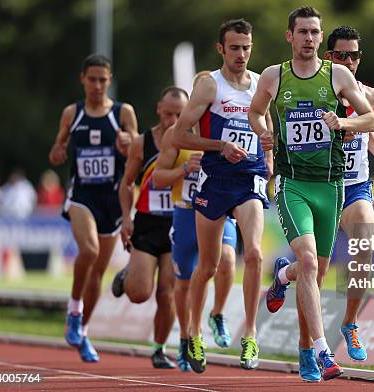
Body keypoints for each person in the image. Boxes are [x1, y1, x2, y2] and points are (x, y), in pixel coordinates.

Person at [249, 7, 374, 382]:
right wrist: (263, 131)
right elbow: (256, 112)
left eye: (314, 32)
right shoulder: (275, 76)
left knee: (313, 274)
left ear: (321, 40)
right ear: (290, 36)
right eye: (302, 31)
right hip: (293, 185)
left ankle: (282, 278)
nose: (309, 38)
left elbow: (370, 118)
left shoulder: (337, 75)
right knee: (309, 263)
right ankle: (320, 352)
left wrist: (344, 122)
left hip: (331, 186)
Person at [169, 19, 273, 373]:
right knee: (209, 266)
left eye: (246, 47)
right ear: (221, 49)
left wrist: (269, 159)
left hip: (249, 180)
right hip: (214, 180)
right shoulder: (208, 86)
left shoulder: (261, 83)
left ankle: (251, 334)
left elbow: (266, 127)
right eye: (234, 48)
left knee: (255, 253)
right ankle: (195, 332)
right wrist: (219, 146)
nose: (241, 54)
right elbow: (179, 136)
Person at [49, 54, 138, 362]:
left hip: (112, 201)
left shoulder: (122, 112)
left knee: (98, 271)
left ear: (109, 80)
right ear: (82, 79)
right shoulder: (71, 114)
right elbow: (57, 150)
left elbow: (138, 153)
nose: (97, 85)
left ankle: (82, 331)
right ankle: (74, 310)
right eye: (92, 79)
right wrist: (58, 152)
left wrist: (129, 141)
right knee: (88, 251)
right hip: (81, 196)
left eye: (103, 80)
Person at [152, 73, 238, 372]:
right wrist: (183, 170)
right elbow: (157, 179)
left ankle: (217, 313)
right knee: (185, 282)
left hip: (218, 208)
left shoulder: (222, 128)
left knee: (227, 261)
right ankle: (187, 336)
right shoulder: (176, 137)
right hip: (186, 213)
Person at [110, 87, 189, 369]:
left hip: (177, 223)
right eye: (168, 114)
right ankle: (128, 275)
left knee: (167, 290)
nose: (172, 120)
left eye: (179, 114)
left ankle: (159, 348)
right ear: (158, 109)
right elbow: (127, 183)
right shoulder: (142, 143)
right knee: (140, 293)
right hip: (146, 223)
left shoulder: (191, 142)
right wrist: (126, 218)